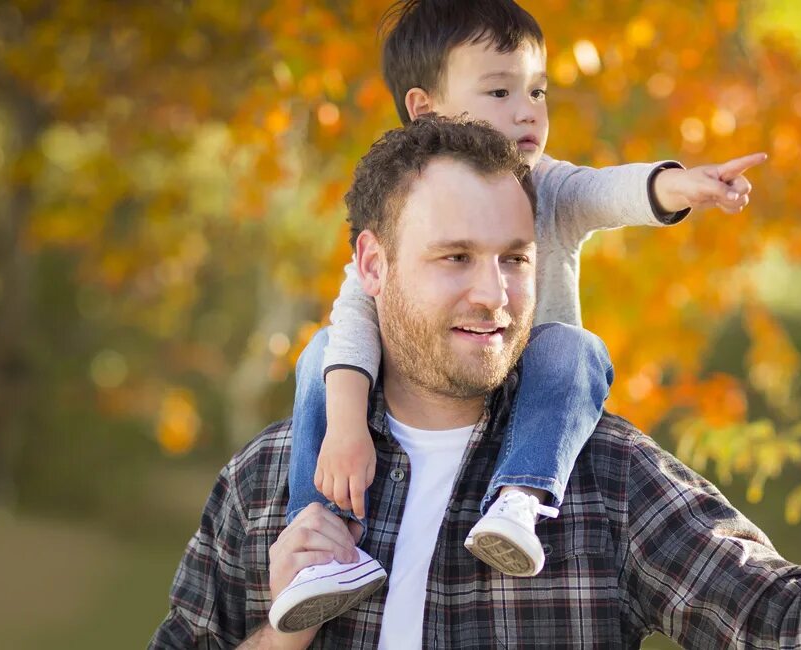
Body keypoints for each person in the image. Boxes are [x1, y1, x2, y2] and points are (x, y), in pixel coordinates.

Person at [151, 115, 801, 650]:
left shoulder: (602, 473)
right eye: (455, 258)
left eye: (515, 259)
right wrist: (284, 634)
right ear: (372, 264)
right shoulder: (268, 480)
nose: (495, 293)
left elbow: (790, 629)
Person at [279, 0, 769, 629]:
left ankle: (521, 498)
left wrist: (680, 186)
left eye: (537, 90)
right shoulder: (404, 202)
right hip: (426, 384)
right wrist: (347, 427)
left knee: (574, 348)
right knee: (321, 352)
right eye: (500, 90)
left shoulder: (549, 183)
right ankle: (319, 538)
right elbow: (354, 320)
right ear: (424, 107)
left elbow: (610, 190)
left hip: (528, 391)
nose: (527, 109)